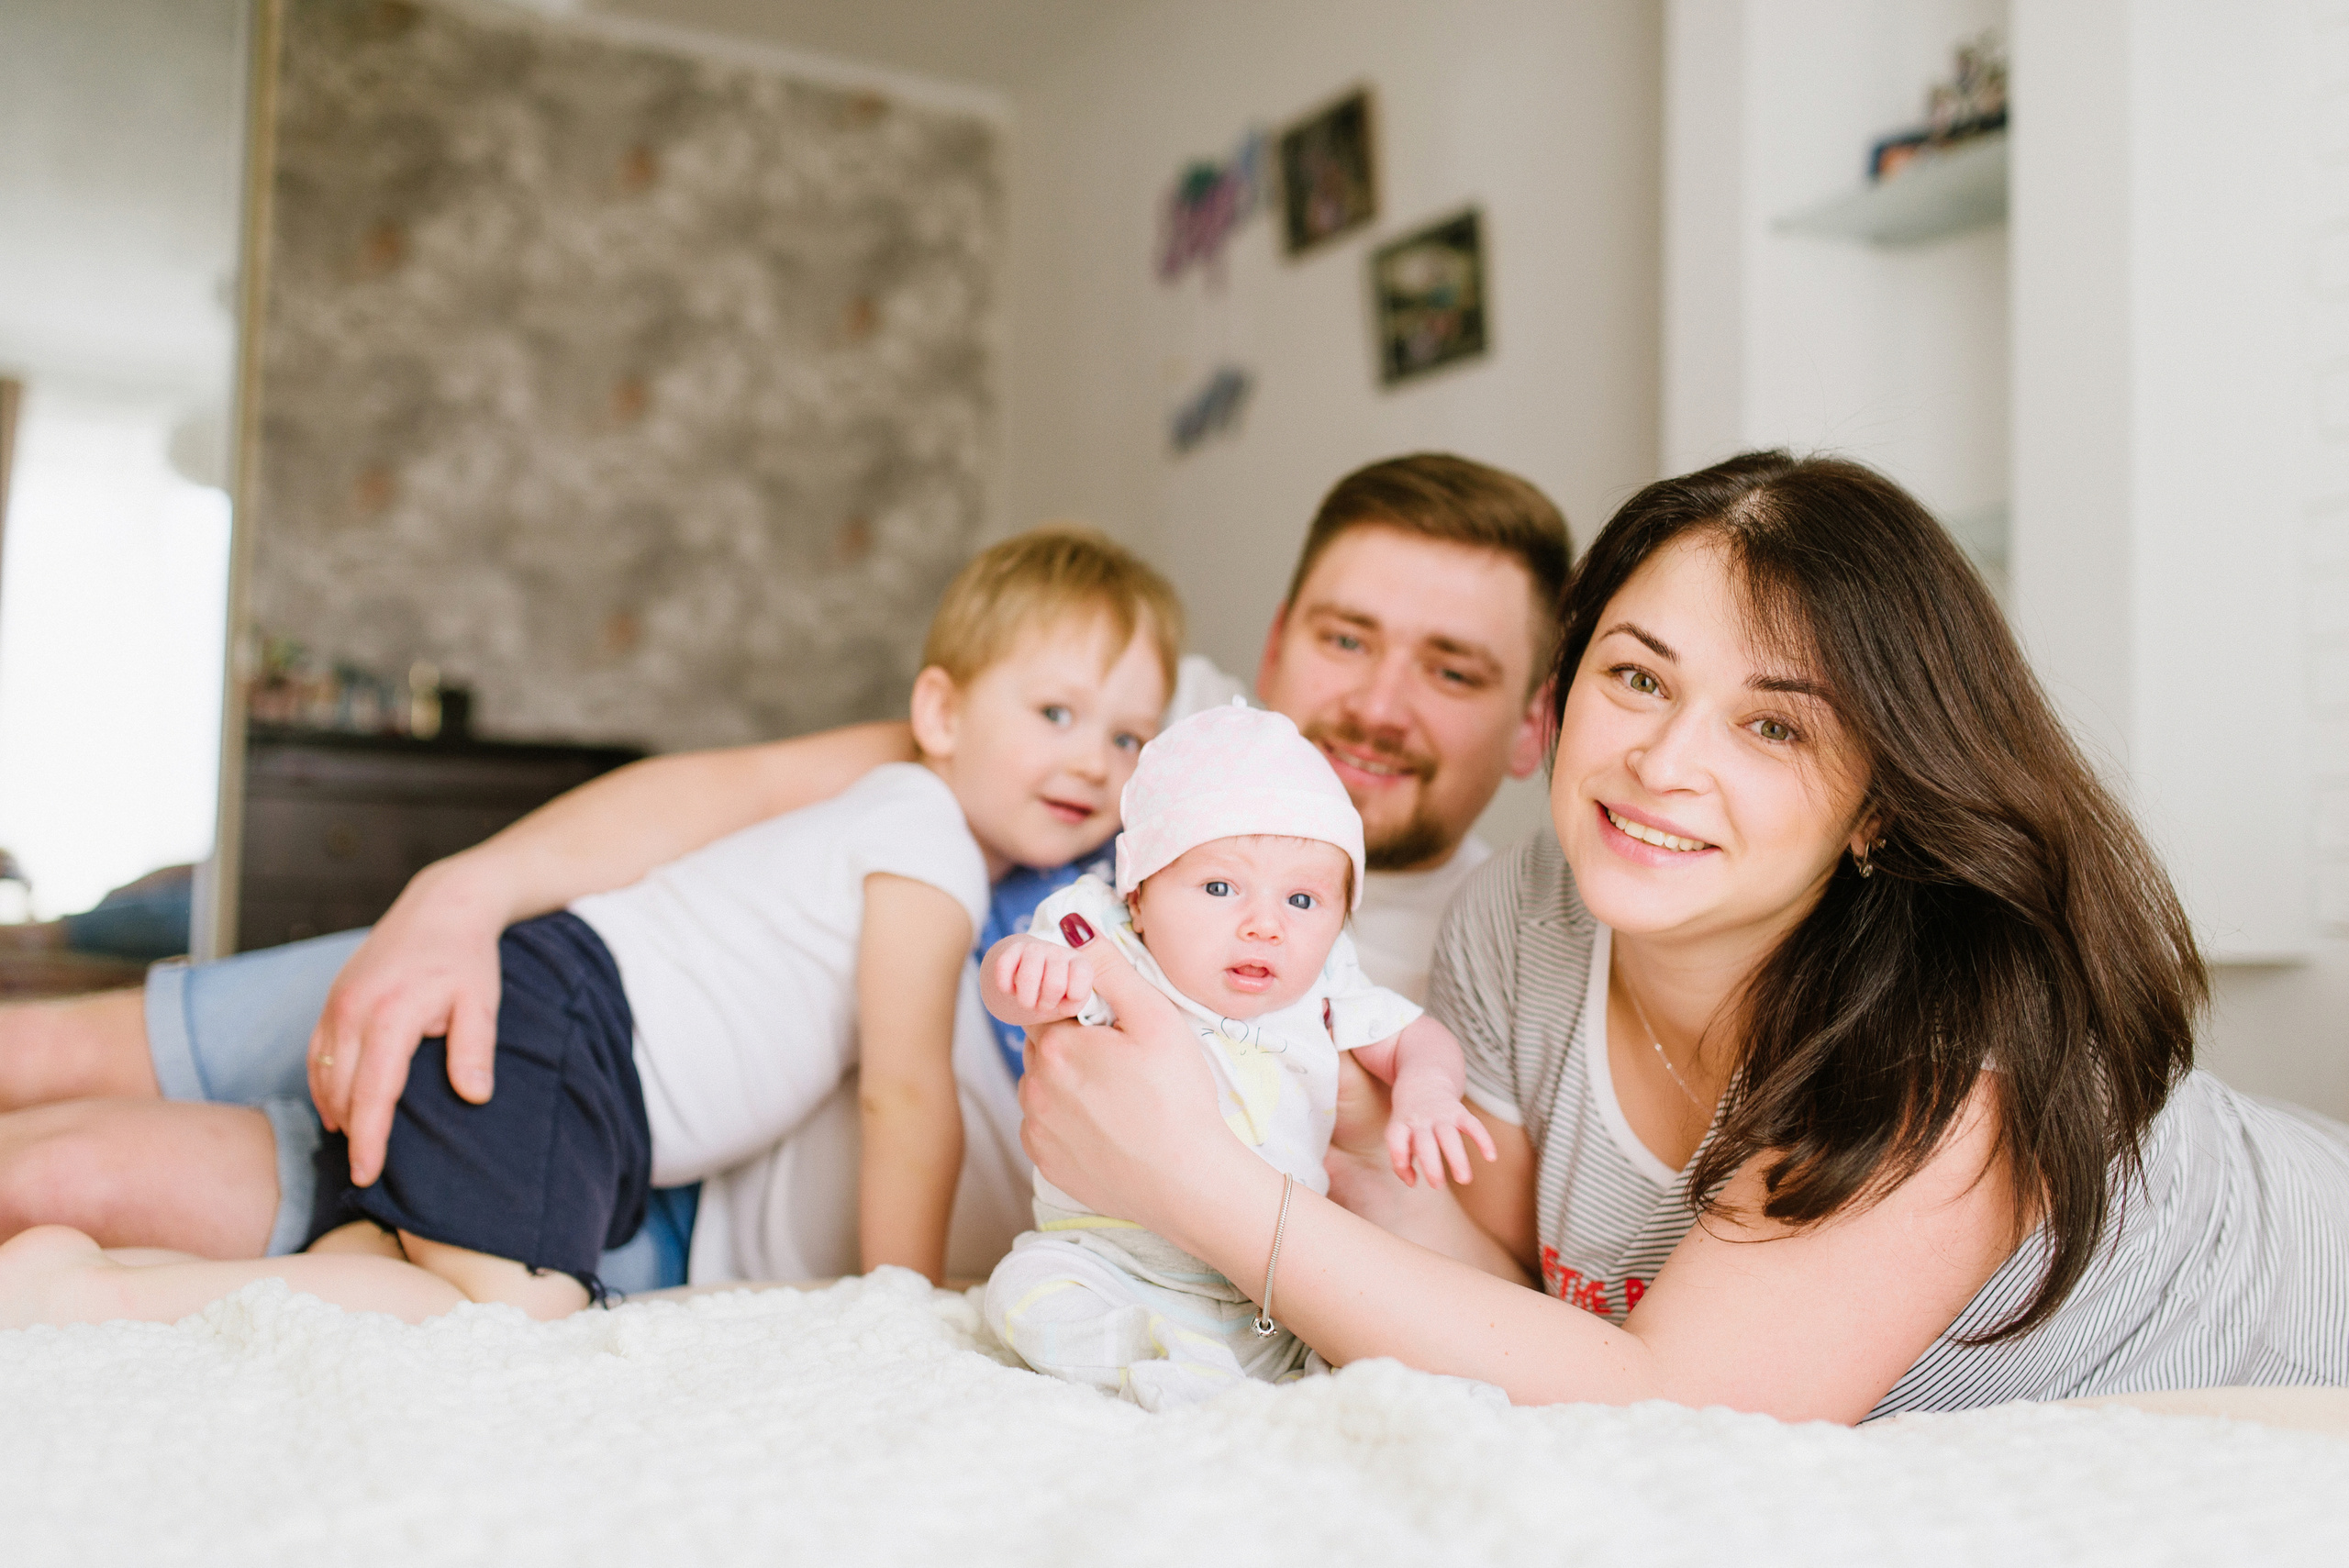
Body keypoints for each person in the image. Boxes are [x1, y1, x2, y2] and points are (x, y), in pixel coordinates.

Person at [0, 452, 1569, 1285]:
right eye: (1348, 635)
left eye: (1451, 667)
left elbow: (1428, 1235)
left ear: (1528, 725)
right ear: (1279, 635)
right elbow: (758, 783)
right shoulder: (1135, 729)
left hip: (682, 1213)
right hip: (622, 974)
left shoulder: (1474, 961)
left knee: (61, 1180)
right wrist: (459, 892)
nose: (1374, 695)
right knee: (51, 1045)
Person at [1011, 451, 2349, 1423]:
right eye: (1638, 677)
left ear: (1881, 801)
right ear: (1565, 702)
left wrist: (1194, 1179)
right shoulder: (1523, 917)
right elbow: (1507, 1288)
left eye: (1773, 724)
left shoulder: (1947, 1044)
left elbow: (1676, 1407)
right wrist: (1292, 1127)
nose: (1661, 760)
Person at [0, 528, 1178, 1324]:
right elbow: (905, 1096)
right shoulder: (924, 837)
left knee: (417, 1275)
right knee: (514, 1315)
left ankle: (110, 1282)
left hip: (579, 1070)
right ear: (939, 711)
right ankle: (97, 1305)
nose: (1091, 759)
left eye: (1127, 738)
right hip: (564, 1042)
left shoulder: (908, 823)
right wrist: (899, 1308)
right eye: (1057, 712)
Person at [977, 703, 1491, 1407]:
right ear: (1140, 892)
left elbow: (1417, 1038)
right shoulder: (1110, 941)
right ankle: (1157, 1356)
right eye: (1220, 888)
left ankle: (1245, 1376)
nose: (1265, 924)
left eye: (1304, 898)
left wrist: (1428, 1092)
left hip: (1269, 1283)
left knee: (1369, 1343)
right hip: (1112, 1261)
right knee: (1022, 1292)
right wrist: (1023, 971)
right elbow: (1019, 992)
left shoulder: (1327, 984)